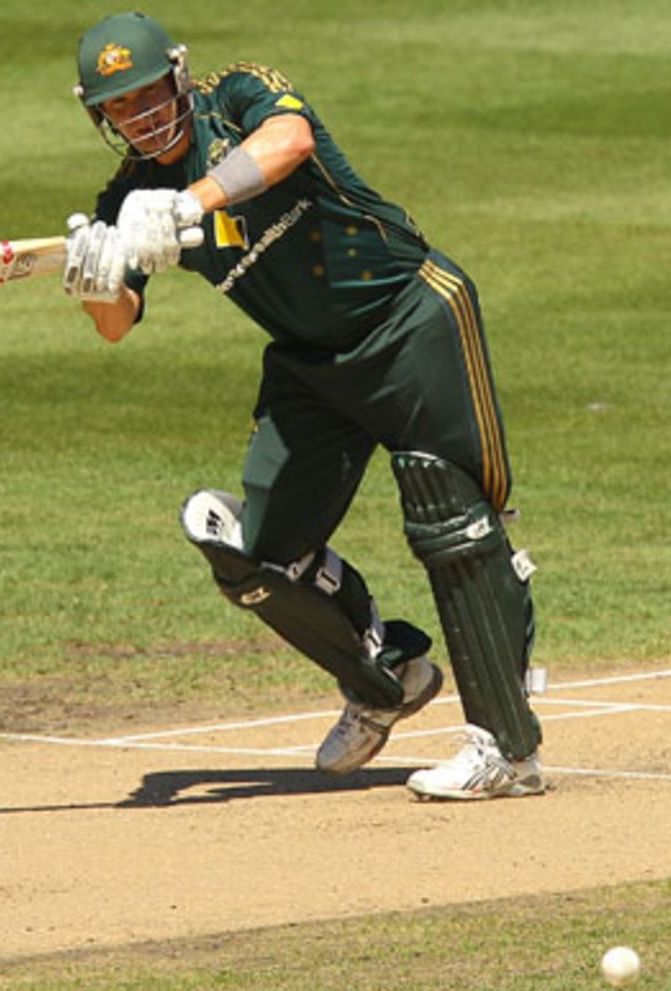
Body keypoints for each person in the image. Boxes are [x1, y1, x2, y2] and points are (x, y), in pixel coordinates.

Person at [63, 11, 543, 800]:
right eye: (121, 107)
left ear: (180, 76)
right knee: (248, 550)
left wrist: (191, 205)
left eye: (151, 93)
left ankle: (508, 751)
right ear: (101, 116)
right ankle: (386, 677)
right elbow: (117, 325)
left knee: (451, 517)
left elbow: (290, 145)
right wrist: (98, 280)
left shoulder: (241, 95)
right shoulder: (130, 195)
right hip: (308, 367)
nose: (142, 116)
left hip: (405, 318)